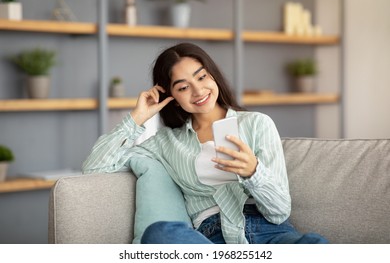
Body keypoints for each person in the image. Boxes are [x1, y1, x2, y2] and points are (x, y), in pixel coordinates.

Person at [82, 42, 328, 244]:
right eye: (183, 87)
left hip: (269, 232)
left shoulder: (257, 124)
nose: (198, 91)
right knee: (161, 234)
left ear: (213, 76)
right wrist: (137, 118)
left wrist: (254, 172)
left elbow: (279, 211)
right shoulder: (166, 143)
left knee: (315, 245)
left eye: (201, 77)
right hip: (210, 240)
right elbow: (93, 168)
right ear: (173, 98)